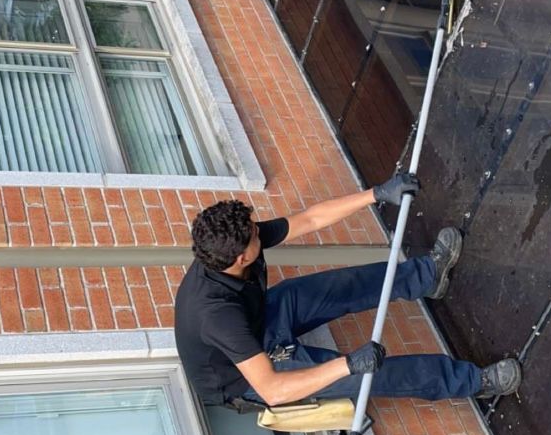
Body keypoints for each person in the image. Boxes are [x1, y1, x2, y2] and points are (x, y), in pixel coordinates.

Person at [174, 173, 522, 410]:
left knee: (337, 287)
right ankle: (476, 382)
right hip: (246, 378)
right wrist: (348, 364)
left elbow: (308, 220)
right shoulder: (217, 315)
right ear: (240, 257)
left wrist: (377, 194)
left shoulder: (227, 243)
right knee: (372, 373)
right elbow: (273, 390)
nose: (259, 233)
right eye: (254, 237)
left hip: (256, 320)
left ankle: (427, 276)